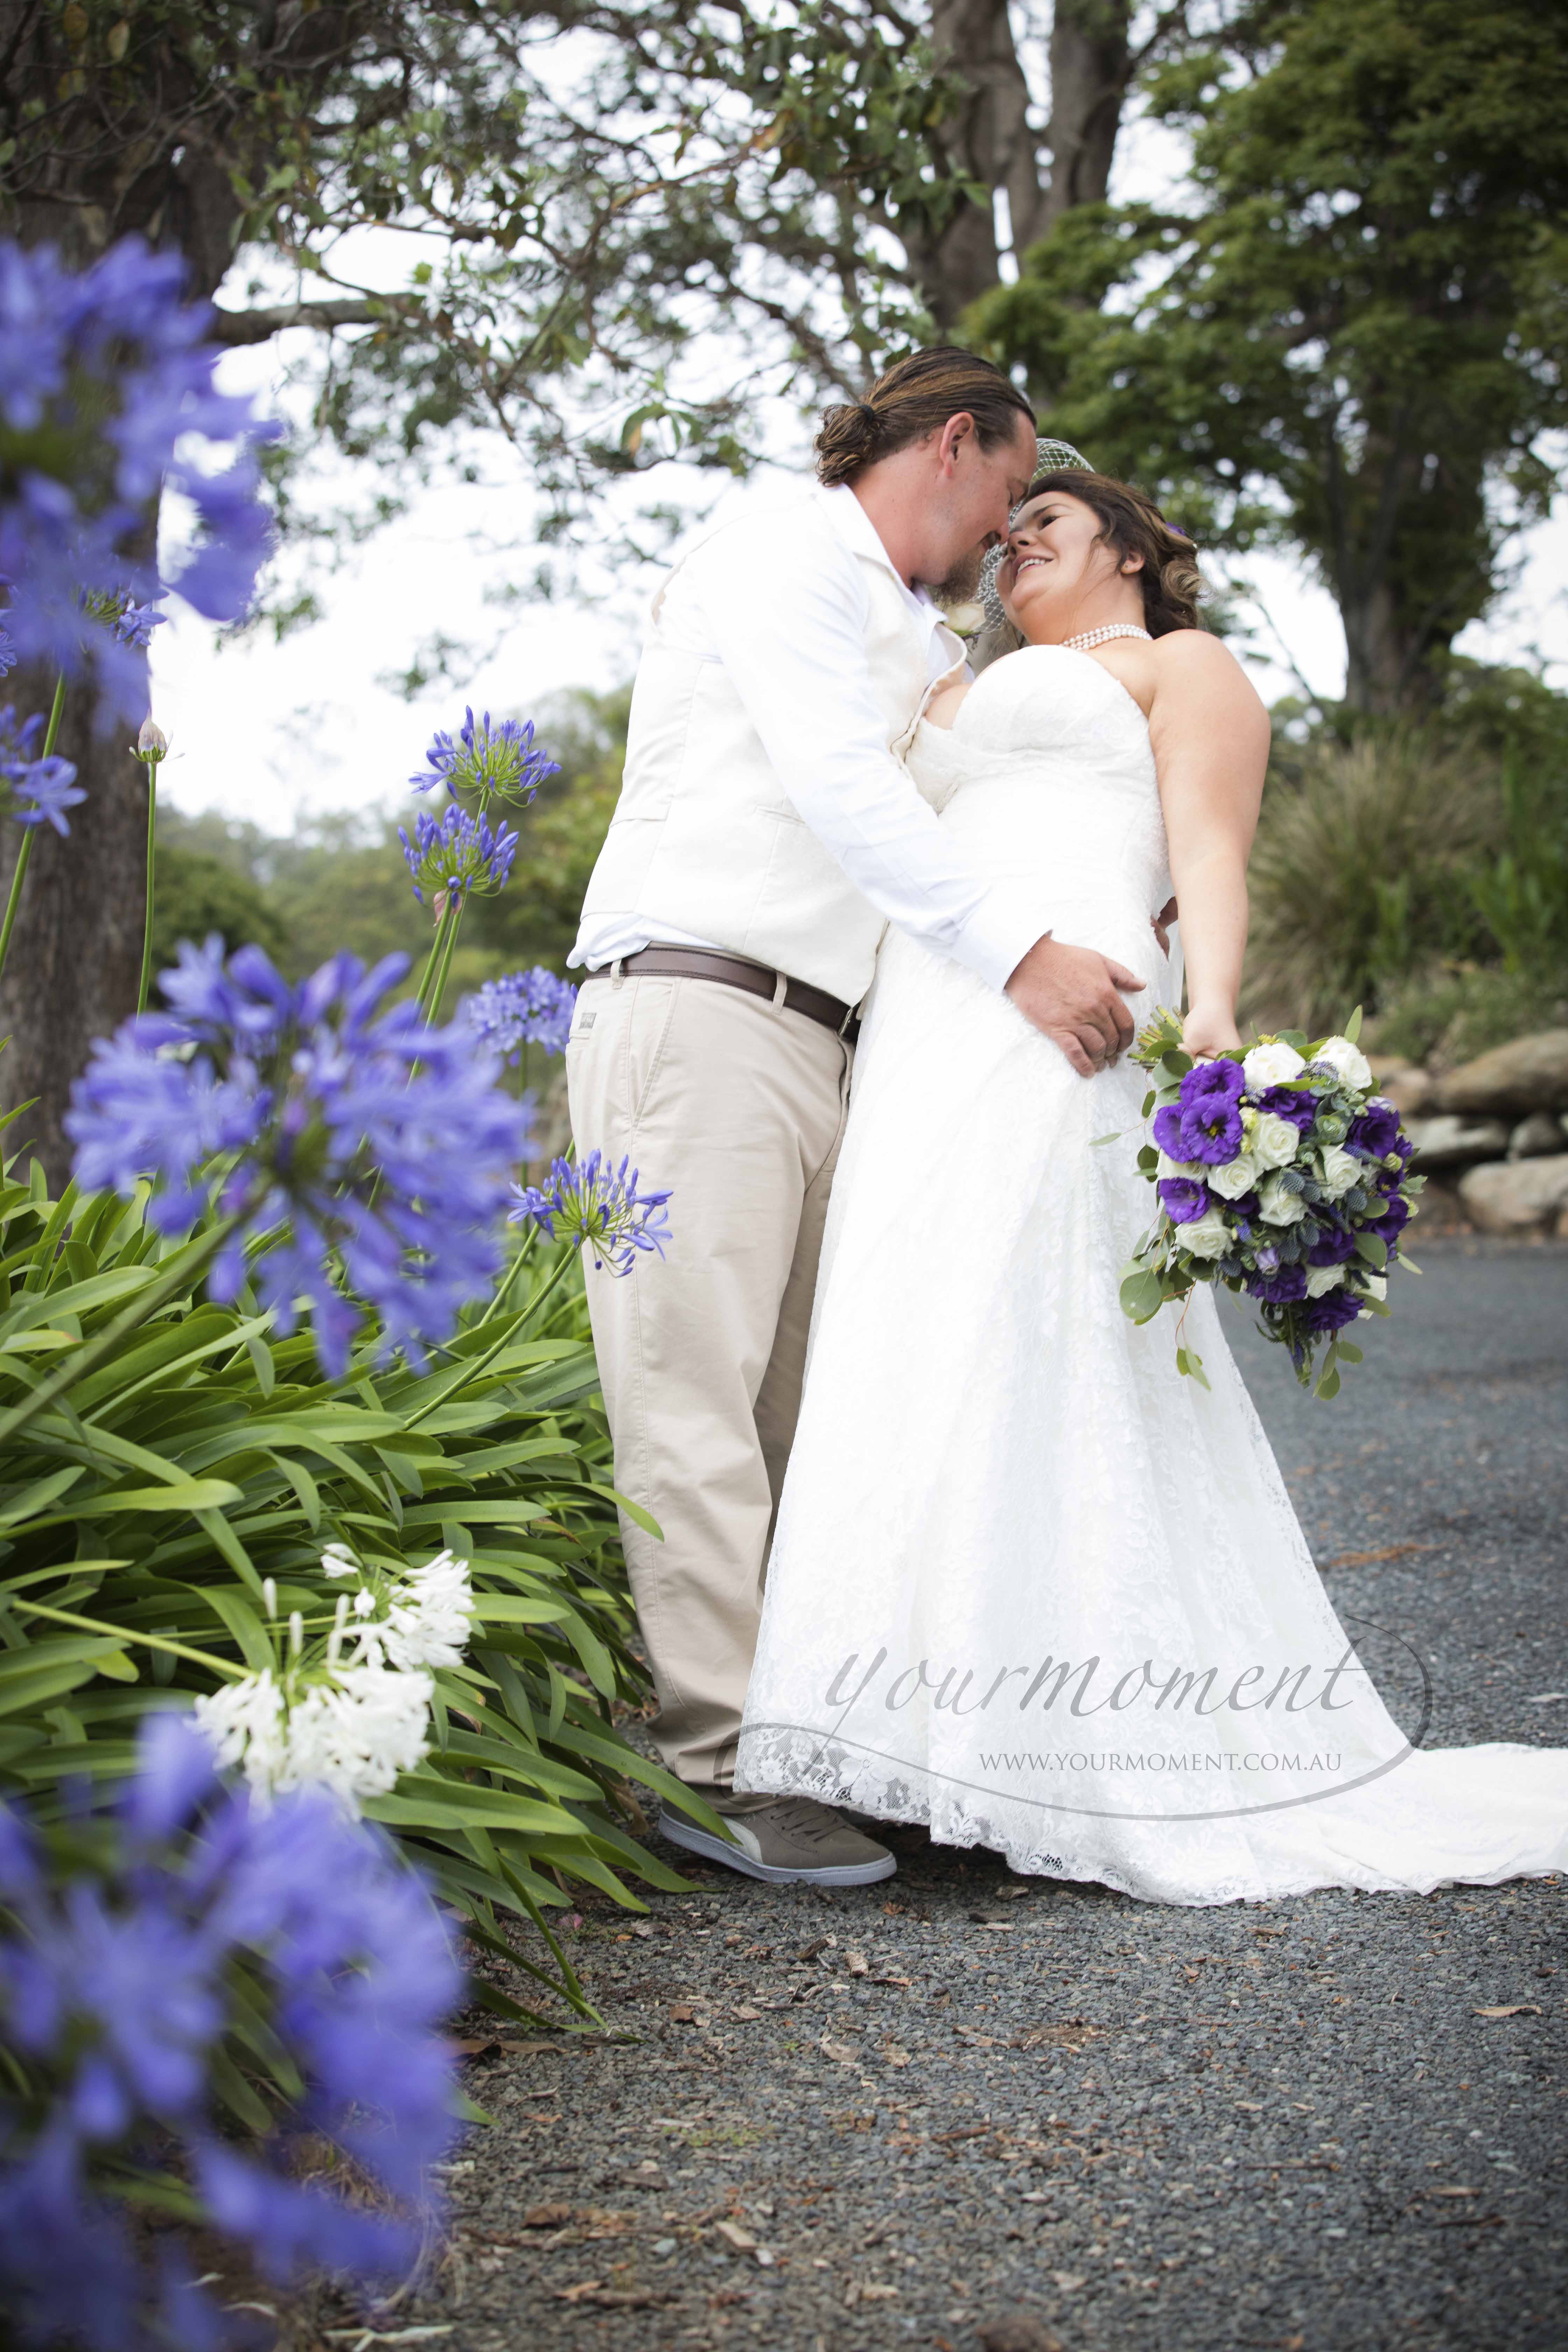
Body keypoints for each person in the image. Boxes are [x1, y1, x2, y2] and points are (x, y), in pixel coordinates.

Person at [734, 468, 1568, 1904]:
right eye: (1001, 539)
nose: (1012, 551)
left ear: (1128, 548)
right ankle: (914, 1732)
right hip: (929, 1020)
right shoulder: (952, 674)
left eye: (1043, 526)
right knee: (906, 1334)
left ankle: (1070, 1745)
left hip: (1077, 1011)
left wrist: (1224, 1020)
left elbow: (1210, 847)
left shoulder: (1179, 665)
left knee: (1037, 1319)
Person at [565, 350, 1156, 1888]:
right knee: (688, 1400)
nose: (1006, 533)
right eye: (1008, 492)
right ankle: (711, 1773)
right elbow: (839, 780)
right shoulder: (780, 550)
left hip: (833, 1040)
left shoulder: (903, 616)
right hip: (696, 1009)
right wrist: (1023, 958)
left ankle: (818, 1741)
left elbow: (974, 782)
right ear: (952, 445)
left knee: (813, 1406)